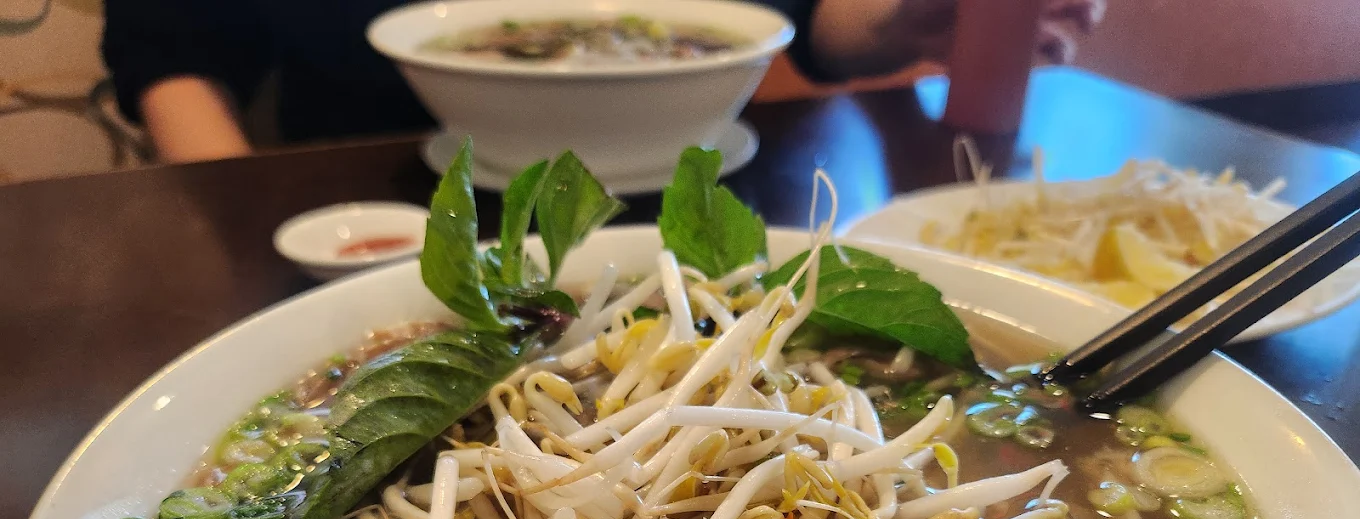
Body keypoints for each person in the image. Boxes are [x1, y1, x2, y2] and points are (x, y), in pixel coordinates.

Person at [102, 0, 1103, 164]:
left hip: (707, 198)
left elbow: (810, 25)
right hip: (397, 207)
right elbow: (171, 48)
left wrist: (898, 20)